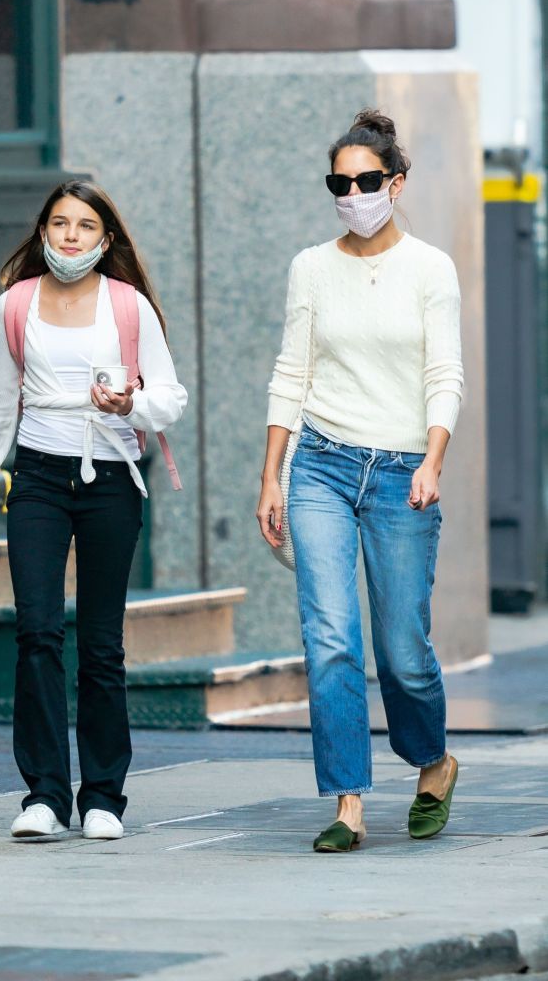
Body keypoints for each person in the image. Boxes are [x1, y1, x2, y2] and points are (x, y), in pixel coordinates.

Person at [0, 181, 187, 840]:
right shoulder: (18, 304)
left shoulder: (128, 306)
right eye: (58, 223)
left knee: (100, 643)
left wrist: (131, 406)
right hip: (36, 476)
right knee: (36, 632)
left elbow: (168, 396)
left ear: (104, 239)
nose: (69, 236)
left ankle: (102, 799)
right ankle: (43, 795)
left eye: (84, 226)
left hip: (111, 478)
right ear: (41, 233)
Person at [257, 110, 463, 853]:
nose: (352, 194)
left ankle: (433, 763)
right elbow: (292, 371)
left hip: (403, 469)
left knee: (403, 649)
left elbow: (444, 373)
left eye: (367, 181)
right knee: (330, 638)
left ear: (396, 183)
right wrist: (270, 475)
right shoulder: (311, 266)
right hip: (320, 462)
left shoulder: (430, 268)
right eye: (339, 183)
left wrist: (433, 460)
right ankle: (347, 801)